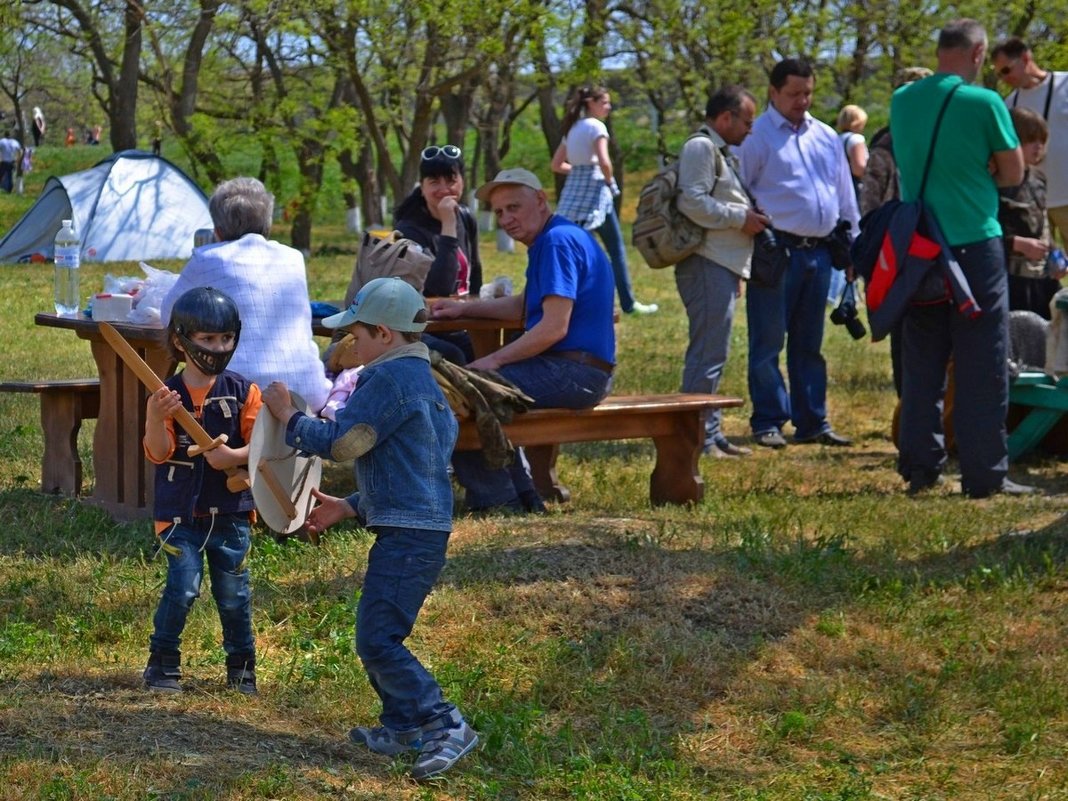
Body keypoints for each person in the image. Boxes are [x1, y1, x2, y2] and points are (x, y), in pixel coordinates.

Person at [262, 277, 479, 780]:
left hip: (409, 536)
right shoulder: (421, 381)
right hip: (415, 527)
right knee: (375, 633)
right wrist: (353, 505)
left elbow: (341, 443)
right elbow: (412, 468)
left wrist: (289, 416)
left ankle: (445, 724)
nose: (345, 345)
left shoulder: (386, 381)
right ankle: (403, 727)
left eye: (353, 334)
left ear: (382, 333)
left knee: (379, 638)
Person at [891, 18, 1030, 498]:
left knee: (922, 358)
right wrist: (984, 165)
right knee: (982, 360)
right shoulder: (984, 102)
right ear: (977, 54)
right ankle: (984, 475)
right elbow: (1013, 173)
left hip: (921, 245)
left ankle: (920, 467)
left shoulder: (902, 100)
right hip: (973, 242)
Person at [431, 168, 616, 503]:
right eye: (500, 212)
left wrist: (494, 359)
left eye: (514, 208)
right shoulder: (555, 237)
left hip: (574, 374)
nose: (506, 219)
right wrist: (464, 309)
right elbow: (523, 306)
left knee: (457, 391)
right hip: (579, 371)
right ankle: (523, 494)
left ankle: (497, 497)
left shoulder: (557, 242)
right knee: (474, 386)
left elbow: (553, 327)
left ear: (541, 200)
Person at [735, 58, 860, 449]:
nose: (802, 101)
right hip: (776, 251)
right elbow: (739, 191)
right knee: (768, 340)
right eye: (794, 94)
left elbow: (844, 193)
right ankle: (769, 419)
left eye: (808, 93)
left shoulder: (825, 136)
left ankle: (813, 421)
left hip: (820, 253)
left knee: (810, 343)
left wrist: (854, 243)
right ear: (773, 92)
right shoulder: (756, 138)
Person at [142, 287, 260, 695]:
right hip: (178, 514)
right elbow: (159, 453)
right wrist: (155, 417)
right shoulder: (165, 396)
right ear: (180, 340)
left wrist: (233, 457)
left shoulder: (244, 391)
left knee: (233, 593)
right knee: (184, 586)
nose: (218, 347)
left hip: (229, 511)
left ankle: (242, 668)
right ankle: (162, 664)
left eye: (225, 338)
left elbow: (262, 447)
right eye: (207, 340)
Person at [161, 177, 332, 413]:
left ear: (218, 231)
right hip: (307, 394)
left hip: (237, 397)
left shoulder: (207, 258)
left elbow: (168, 316)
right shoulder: (293, 257)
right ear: (267, 225)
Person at [675, 85, 769, 458]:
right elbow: (691, 201)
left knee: (715, 352)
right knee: (706, 353)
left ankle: (709, 433)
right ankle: (694, 438)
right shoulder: (700, 148)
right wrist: (740, 218)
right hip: (705, 263)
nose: (750, 129)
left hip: (721, 264)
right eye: (746, 121)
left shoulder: (719, 151)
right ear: (725, 117)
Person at [551, 85, 658, 315]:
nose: (608, 107)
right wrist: (609, 182)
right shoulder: (597, 127)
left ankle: (578, 298)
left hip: (574, 193)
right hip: (597, 192)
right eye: (605, 102)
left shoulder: (572, 128)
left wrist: (579, 171)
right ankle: (627, 303)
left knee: (579, 247)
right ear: (591, 103)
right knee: (615, 251)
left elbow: (556, 164)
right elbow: (605, 162)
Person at [393, 144, 483, 362]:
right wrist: (448, 227)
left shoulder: (466, 217)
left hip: (460, 322)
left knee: (493, 350)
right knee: (456, 355)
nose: (444, 188)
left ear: (462, 182)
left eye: (451, 180)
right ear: (422, 187)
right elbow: (439, 288)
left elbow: (476, 274)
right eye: (434, 182)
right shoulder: (408, 230)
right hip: (419, 327)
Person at [991, 37, 1068, 245]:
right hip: (1030, 202)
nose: (1004, 78)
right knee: (1042, 270)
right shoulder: (1009, 104)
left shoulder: (1065, 84)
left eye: (1006, 70)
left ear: (1025, 58)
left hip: (1066, 196)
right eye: (999, 74)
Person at [999, 107, 1061, 319]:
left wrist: (1055, 253)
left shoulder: (1038, 178)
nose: (1039, 147)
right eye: (1031, 140)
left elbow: (1041, 222)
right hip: (1010, 279)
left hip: (1042, 279)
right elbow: (983, 233)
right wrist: (1018, 244)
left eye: (1042, 141)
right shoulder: (995, 181)